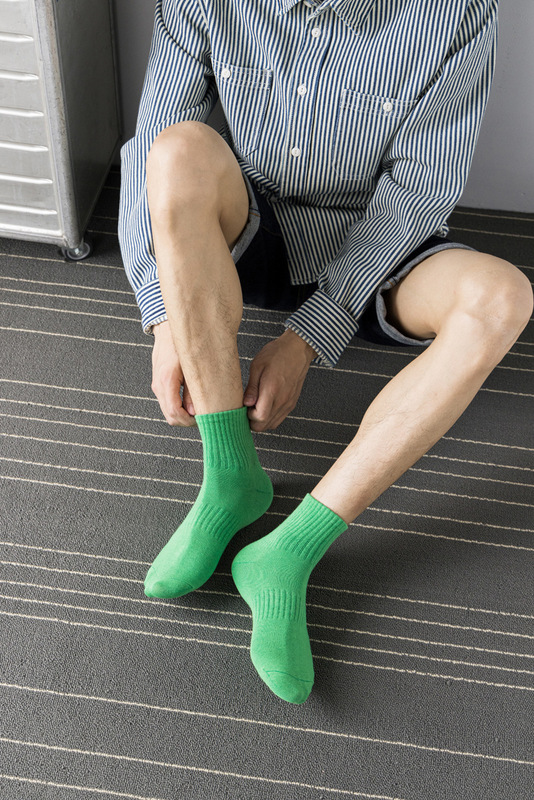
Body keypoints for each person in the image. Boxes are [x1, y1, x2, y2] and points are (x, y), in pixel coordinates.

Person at [118, 0, 532, 704]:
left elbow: (419, 190)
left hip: (382, 247)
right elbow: (152, 149)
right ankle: (229, 476)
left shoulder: (459, 11)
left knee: (504, 298)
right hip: (255, 226)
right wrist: (163, 319)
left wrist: (309, 335)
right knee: (176, 149)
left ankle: (288, 552)